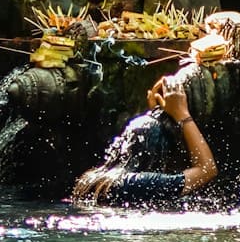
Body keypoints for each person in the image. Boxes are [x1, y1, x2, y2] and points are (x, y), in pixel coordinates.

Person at [73, 77, 218, 206]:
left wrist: (157, 112)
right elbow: (207, 169)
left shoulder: (90, 179)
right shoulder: (139, 183)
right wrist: (182, 114)